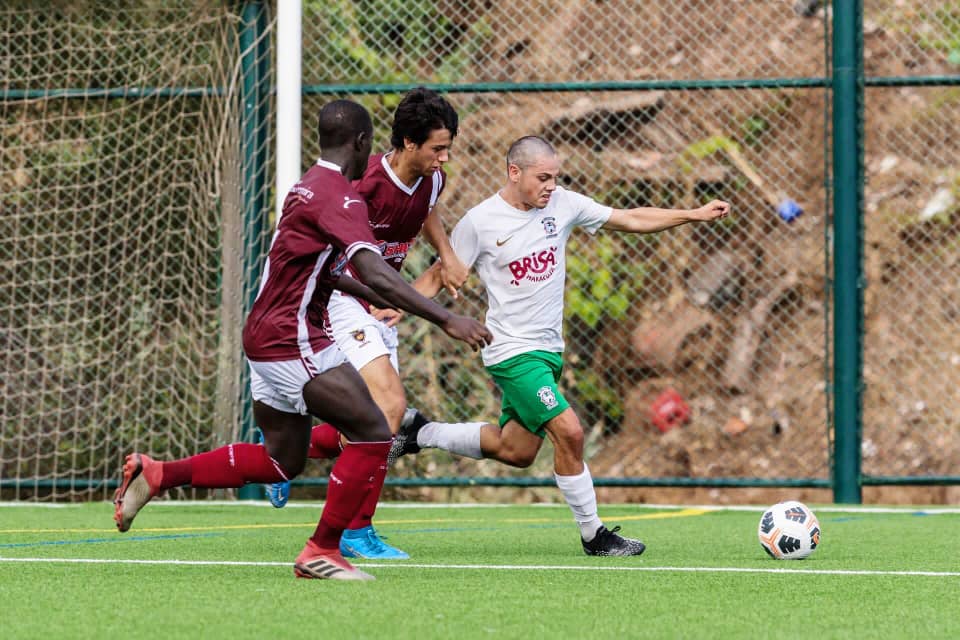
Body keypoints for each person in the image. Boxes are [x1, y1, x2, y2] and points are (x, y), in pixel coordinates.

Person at [111, 100, 492, 581]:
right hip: (291, 338)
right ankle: (323, 549)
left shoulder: (307, 188)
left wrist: (377, 296)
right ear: (363, 143)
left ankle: (160, 473)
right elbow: (371, 265)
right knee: (375, 428)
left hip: (269, 333)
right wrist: (444, 318)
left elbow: (333, 270)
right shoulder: (343, 198)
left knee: (279, 461)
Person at [391, 135, 730, 556]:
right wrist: (396, 306)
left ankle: (420, 431)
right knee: (569, 431)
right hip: (511, 352)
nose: (551, 185)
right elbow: (442, 274)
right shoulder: (480, 223)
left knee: (515, 450)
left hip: (548, 352)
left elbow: (631, 218)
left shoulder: (563, 205)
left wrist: (691, 215)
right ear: (515, 173)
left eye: (556, 177)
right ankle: (595, 536)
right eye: (543, 177)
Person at [263, 88, 485, 561]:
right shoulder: (361, 183)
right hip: (345, 297)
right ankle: (354, 530)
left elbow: (427, 209)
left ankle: (280, 455)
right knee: (391, 404)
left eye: (448, 147)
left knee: (373, 421)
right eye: (436, 148)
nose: (444, 158)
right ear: (406, 142)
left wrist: (446, 256)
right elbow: (334, 262)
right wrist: (376, 295)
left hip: (381, 302)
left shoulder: (432, 178)